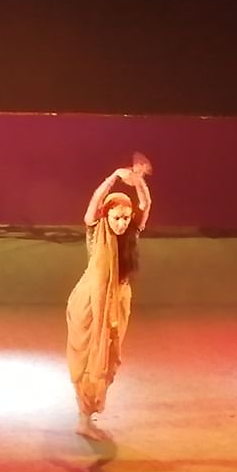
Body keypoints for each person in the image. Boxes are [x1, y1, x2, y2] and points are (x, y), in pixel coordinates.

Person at [66, 155, 152, 440]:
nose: (122, 223)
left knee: (108, 357)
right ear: (107, 216)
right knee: (88, 357)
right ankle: (83, 417)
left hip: (117, 301)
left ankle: (87, 417)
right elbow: (93, 203)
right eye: (116, 218)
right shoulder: (95, 228)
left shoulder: (132, 235)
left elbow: (146, 205)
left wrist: (139, 183)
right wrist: (114, 177)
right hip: (90, 301)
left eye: (126, 218)